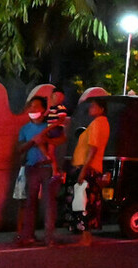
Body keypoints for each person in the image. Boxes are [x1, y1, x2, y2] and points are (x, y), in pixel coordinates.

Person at [15, 96, 65, 246]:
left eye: (35, 107)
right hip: (31, 167)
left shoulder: (49, 126)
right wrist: (32, 142)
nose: (32, 110)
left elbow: (61, 139)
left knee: (48, 203)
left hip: (47, 167)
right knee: (30, 203)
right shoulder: (25, 129)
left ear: (43, 110)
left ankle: (49, 237)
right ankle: (28, 235)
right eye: (30, 107)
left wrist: (46, 140)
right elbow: (20, 149)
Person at [69, 98, 110, 244]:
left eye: (93, 106)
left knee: (83, 203)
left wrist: (83, 170)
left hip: (88, 169)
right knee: (86, 203)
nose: (90, 109)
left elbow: (93, 149)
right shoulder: (103, 124)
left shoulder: (97, 124)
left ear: (101, 109)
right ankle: (86, 236)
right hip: (93, 168)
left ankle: (86, 237)